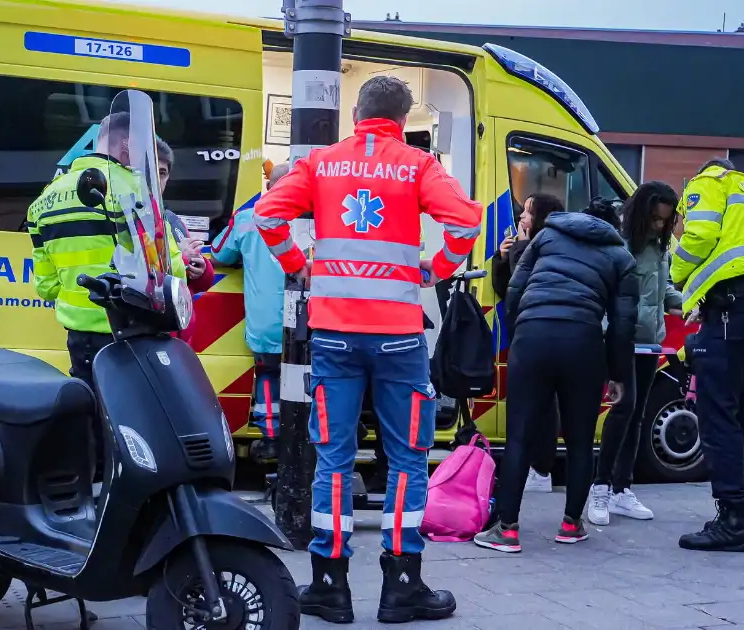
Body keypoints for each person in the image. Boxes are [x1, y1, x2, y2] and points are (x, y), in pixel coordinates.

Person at [255, 75, 481, 623]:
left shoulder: (321, 163)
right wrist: (437, 268)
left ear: (356, 112)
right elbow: (467, 220)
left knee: (331, 459)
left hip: (332, 335)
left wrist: (296, 264)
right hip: (399, 336)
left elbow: (268, 215)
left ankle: (329, 587)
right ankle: (402, 585)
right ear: (403, 119)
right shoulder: (417, 165)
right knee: (406, 459)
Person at [476, 198, 637, 554]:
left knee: (519, 437)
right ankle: (570, 524)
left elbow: (516, 287)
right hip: (583, 343)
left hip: (533, 338)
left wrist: (523, 333)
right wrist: (618, 375)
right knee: (580, 440)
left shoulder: (548, 235)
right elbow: (623, 326)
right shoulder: (622, 258)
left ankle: (507, 529)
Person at [27, 111, 190, 463]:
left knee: (89, 422)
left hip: (80, 337)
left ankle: (91, 498)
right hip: (131, 331)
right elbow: (171, 269)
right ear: (129, 144)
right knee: (135, 433)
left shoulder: (45, 199)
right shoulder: (135, 189)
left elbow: (47, 286)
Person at [672, 158, 744, 553]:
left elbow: (700, 235)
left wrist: (676, 273)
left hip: (731, 306)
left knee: (718, 412)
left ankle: (732, 519)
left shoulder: (711, 182)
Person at [587, 182, 682, 526]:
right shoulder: (620, 244)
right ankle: (600, 486)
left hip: (649, 341)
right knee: (624, 407)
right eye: (656, 220)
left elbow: (663, 288)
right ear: (642, 214)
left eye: (666, 221)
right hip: (621, 338)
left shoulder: (660, 247)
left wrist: (683, 304)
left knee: (638, 412)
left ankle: (621, 489)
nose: (660, 226)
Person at [212, 163, 288, 461]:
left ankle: (271, 439)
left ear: (268, 187)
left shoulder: (246, 220)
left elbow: (219, 253)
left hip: (266, 323)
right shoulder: (317, 220)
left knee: (268, 375)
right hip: (314, 320)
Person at [492, 193, 565, 494]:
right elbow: (503, 288)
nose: (521, 217)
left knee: (544, 405)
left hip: (542, 334)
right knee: (526, 403)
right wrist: (501, 257)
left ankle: (541, 469)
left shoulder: (550, 247)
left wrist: (519, 249)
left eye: (528, 213)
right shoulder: (525, 243)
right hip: (522, 334)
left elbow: (525, 285)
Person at [154, 138, 212, 343]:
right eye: (152, 171)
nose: (157, 179)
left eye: (162, 173)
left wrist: (202, 268)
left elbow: (202, 281)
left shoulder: (172, 219)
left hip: (179, 336)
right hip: (153, 334)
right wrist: (183, 258)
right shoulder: (131, 217)